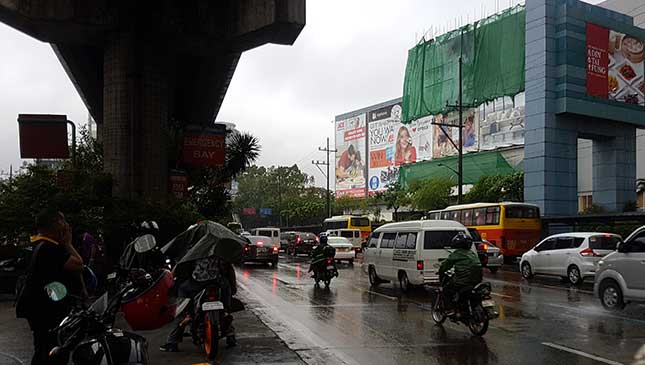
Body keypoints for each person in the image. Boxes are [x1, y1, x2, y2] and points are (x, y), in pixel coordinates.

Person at [17, 208, 83, 365]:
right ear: (54, 224)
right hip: (47, 312)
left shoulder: (37, 245)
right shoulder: (49, 248)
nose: (66, 225)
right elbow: (79, 264)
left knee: (43, 351)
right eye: (63, 221)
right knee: (51, 354)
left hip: (38, 310)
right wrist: (68, 243)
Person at [160, 256, 237, 352]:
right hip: (218, 282)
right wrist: (232, 288)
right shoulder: (220, 251)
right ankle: (231, 337)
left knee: (182, 308)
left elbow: (179, 268)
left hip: (197, 283)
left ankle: (172, 342)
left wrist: (171, 277)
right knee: (225, 311)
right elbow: (230, 271)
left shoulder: (196, 251)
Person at [437, 233, 482, 315]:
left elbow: (446, 265)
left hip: (462, 281)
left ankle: (450, 309)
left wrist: (441, 271)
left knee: (446, 290)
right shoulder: (472, 253)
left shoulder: (457, 254)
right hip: (476, 281)